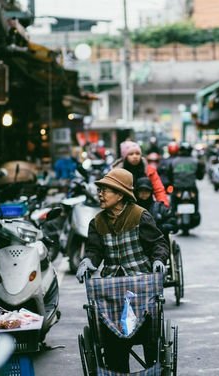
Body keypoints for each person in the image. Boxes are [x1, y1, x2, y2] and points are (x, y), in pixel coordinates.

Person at [75, 168, 170, 373]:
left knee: (148, 332)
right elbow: (94, 250)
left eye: (106, 190)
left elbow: (158, 244)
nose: (100, 194)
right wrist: (88, 261)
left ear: (120, 194)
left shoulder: (140, 216)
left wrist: (158, 260)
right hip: (111, 287)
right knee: (111, 337)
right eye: (99, 190)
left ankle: (152, 368)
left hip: (140, 284)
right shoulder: (97, 222)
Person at [113, 140, 170, 207]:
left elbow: (158, 190)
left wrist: (163, 206)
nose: (135, 156)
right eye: (131, 154)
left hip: (146, 207)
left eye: (137, 153)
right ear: (125, 156)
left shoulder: (149, 170)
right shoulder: (117, 172)